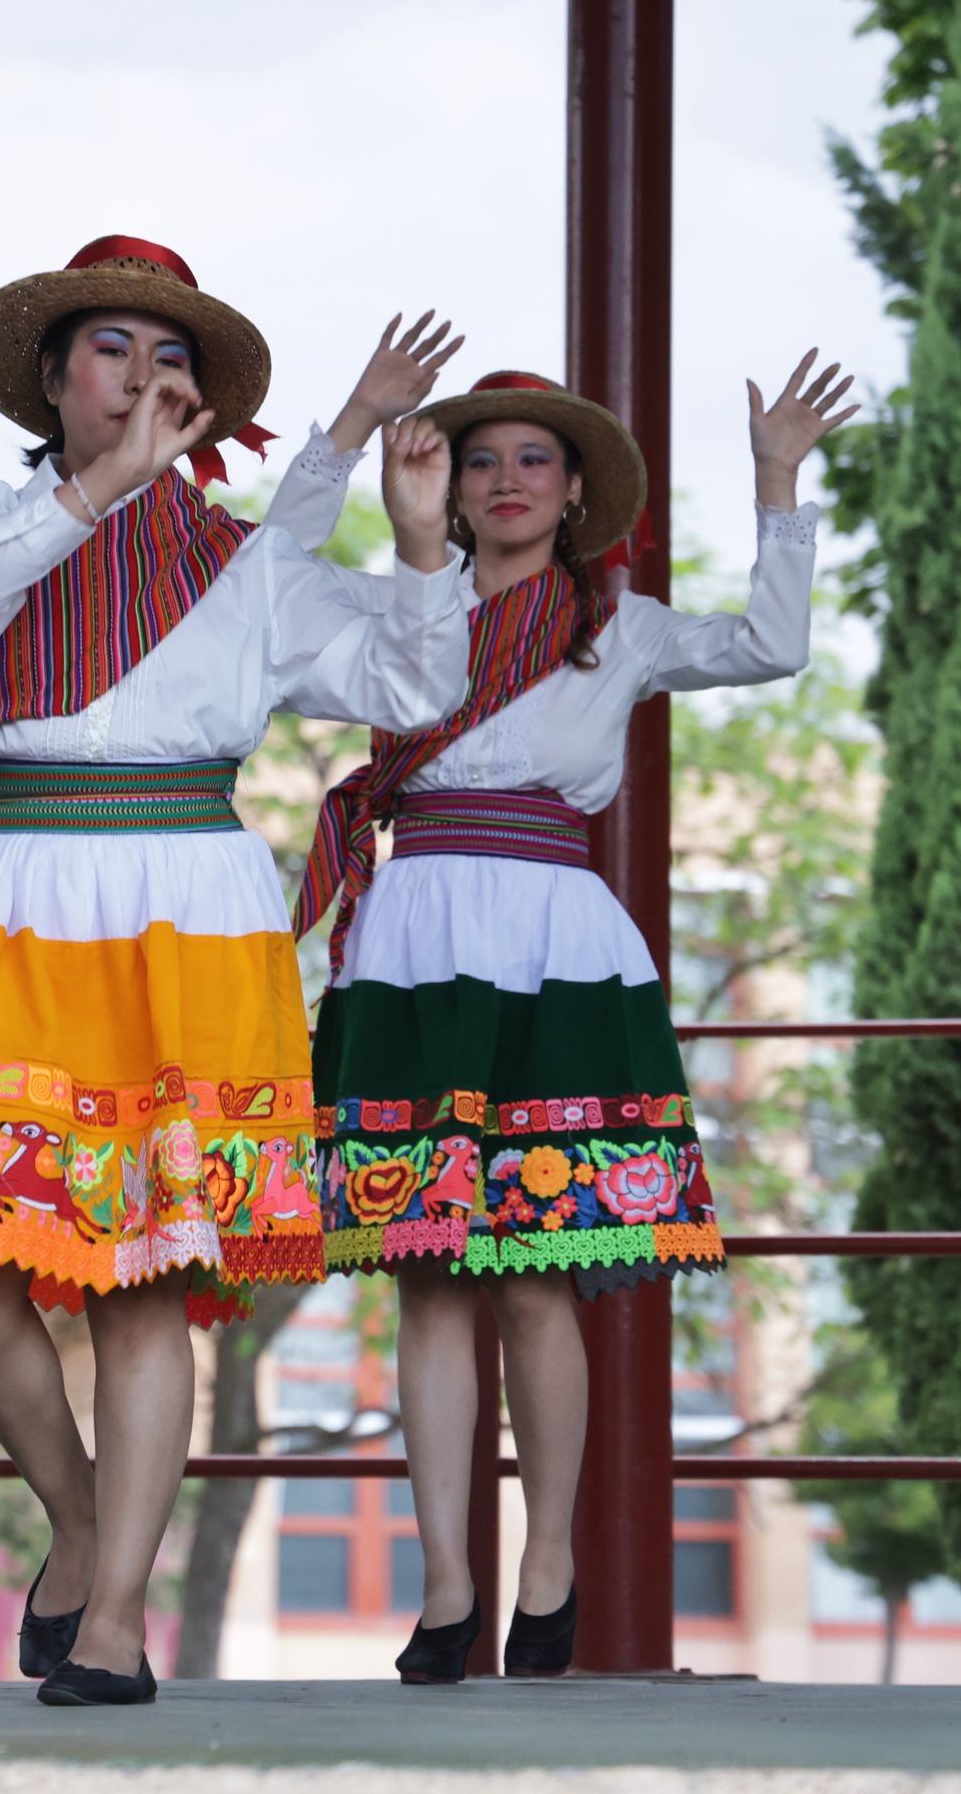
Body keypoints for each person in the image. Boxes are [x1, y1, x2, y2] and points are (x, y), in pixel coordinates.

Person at [0, 235, 467, 1706]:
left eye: (171, 356)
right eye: (114, 348)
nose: (145, 375)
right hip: (9, 892)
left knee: (147, 1279)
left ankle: (114, 1620)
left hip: (184, 898)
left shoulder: (243, 561)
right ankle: (86, 1517)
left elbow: (410, 686)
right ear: (52, 379)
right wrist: (100, 489)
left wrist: (421, 540)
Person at [294, 354, 856, 1683]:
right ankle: (444, 1589)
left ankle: (545, 1568)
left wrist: (779, 481)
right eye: (476, 457)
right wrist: (383, 494)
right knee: (426, 1275)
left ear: (575, 490)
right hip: (419, 926)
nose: (502, 481)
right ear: (436, 476)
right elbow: (276, 611)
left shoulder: (624, 623)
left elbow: (772, 645)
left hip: (555, 934)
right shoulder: (394, 605)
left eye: (531, 460)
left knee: (537, 1273)